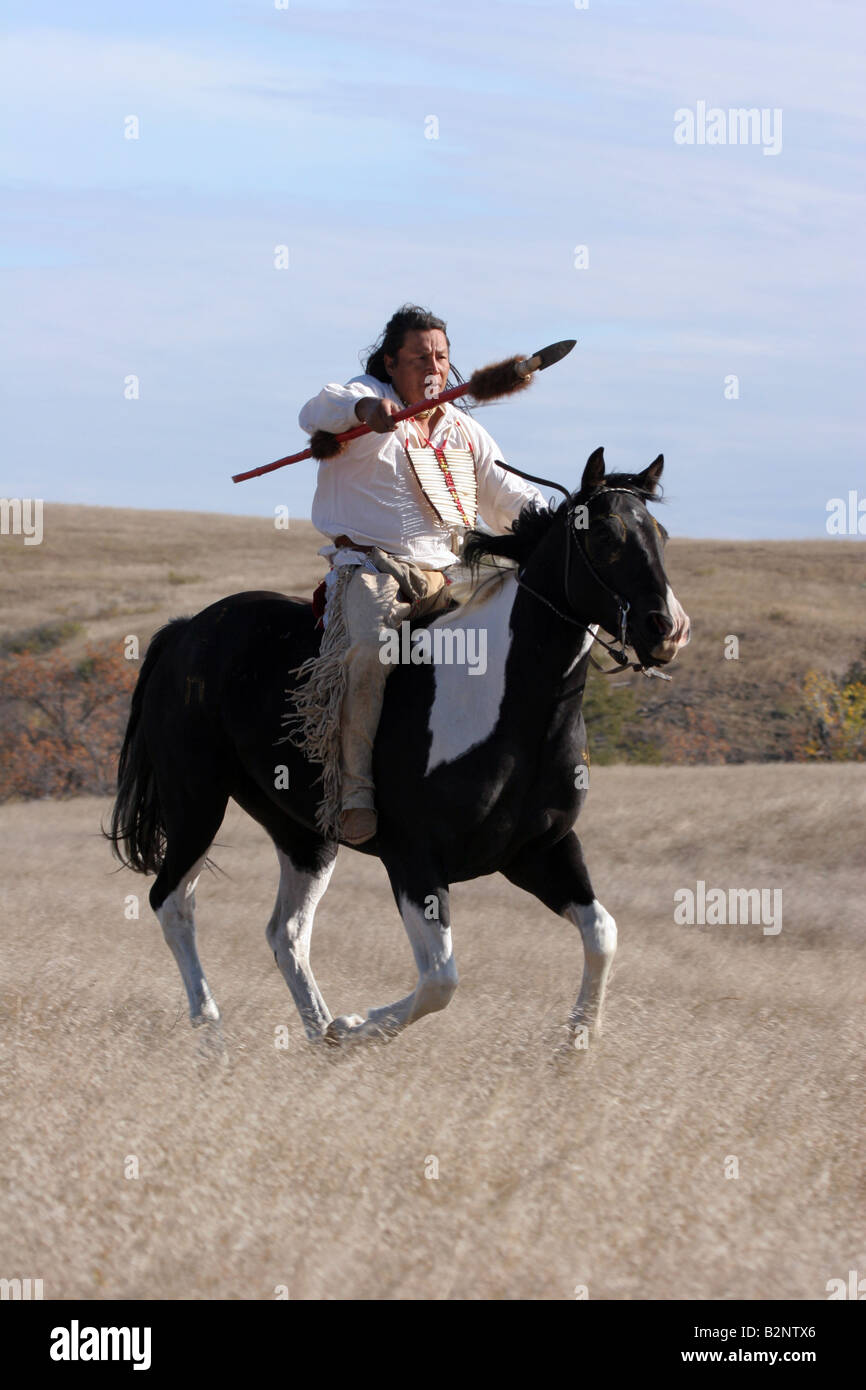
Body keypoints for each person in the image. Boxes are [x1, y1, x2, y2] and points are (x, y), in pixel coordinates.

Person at [297, 304, 546, 845]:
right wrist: (367, 407)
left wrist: (558, 519)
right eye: (418, 358)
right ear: (391, 362)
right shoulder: (361, 396)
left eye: (441, 356)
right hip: (373, 570)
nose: (432, 367)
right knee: (368, 651)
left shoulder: (463, 429)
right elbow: (318, 410)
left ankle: (493, 776)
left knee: (510, 641)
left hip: (450, 577)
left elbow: (504, 496)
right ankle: (354, 791)